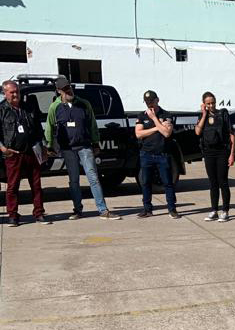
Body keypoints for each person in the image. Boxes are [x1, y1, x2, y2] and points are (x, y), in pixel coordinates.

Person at [45, 77, 121, 221]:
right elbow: (49, 127)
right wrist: (49, 145)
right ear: (59, 91)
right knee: (74, 180)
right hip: (68, 149)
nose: (69, 91)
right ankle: (78, 210)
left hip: (84, 146)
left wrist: (96, 142)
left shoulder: (84, 104)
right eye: (65, 89)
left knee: (93, 177)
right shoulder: (54, 108)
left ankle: (103, 209)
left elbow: (92, 124)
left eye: (70, 87)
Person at [0, 80, 48, 226]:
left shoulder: (28, 108)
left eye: (17, 91)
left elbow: (39, 129)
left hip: (32, 151)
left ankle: (39, 213)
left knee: (36, 185)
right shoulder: (1, 110)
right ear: (5, 93)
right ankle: (13, 216)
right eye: (12, 92)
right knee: (13, 186)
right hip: (13, 154)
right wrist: (3, 148)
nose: (15, 95)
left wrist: (44, 147)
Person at [135, 90, 179, 219]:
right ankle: (147, 209)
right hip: (146, 153)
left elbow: (166, 133)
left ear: (157, 100)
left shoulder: (166, 115)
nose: (149, 104)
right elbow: (138, 134)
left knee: (167, 182)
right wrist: (157, 127)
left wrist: (154, 118)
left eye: (151, 101)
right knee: (146, 182)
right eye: (147, 102)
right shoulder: (142, 116)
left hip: (162, 154)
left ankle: (172, 209)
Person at [195, 91, 235, 222]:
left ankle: (225, 211)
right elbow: (197, 132)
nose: (211, 105)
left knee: (223, 181)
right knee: (213, 183)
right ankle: (214, 210)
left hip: (222, 152)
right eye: (208, 103)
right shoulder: (202, 116)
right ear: (204, 104)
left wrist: (232, 154)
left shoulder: (223, 114)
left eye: (213, 103)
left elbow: (231, 135)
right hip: (209, 153)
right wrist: (204, 114)